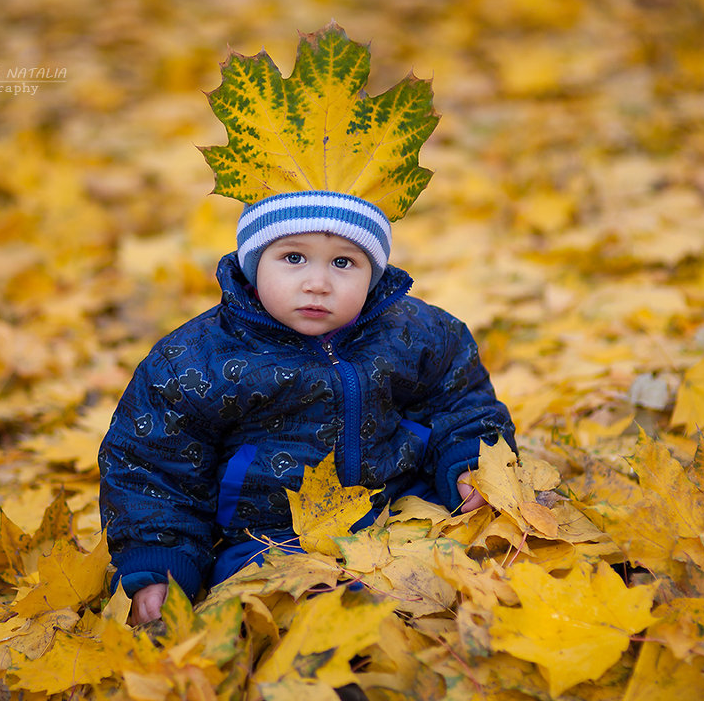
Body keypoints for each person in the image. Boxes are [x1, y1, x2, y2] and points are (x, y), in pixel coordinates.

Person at [99, 190, 517, 625]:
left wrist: (470, 461)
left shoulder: (413, 332)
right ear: (253, 263)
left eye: (343, 263)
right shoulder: (197, 360)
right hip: (269, 537)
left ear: (373, 273)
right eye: (294, 258)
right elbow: (151, 465)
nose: (318, 283)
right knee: (290, 605)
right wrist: (161, 562)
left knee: (486, 554)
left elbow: (458, 396)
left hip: (398, 505)